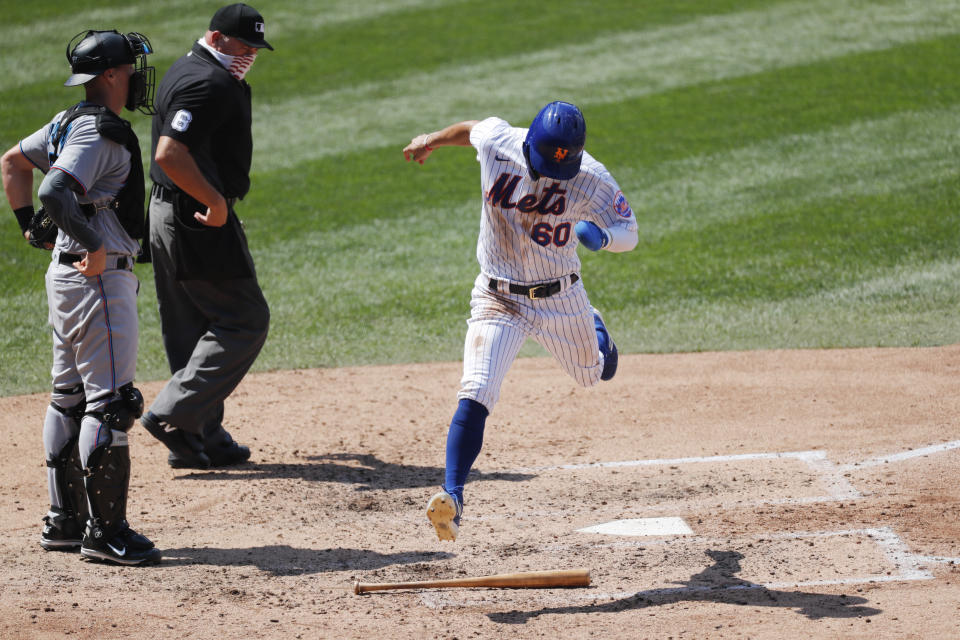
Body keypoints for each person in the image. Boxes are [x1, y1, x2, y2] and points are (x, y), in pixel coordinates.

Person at [403, 101, 639, 541]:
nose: (554, 172)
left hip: (560, 299)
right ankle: (451, 495)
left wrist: (605, 237)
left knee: (596, 373)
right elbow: (470, 129)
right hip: (497, 296)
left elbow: (630, 230)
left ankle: (595, 326)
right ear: (529, 142)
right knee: (476, 389)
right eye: (548, 161)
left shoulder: (591, 177)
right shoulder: (499, 140)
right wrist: (431, 140)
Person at [1, 29, 162, 565]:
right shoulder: (99, 132)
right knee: (111, 403)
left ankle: (64, 521)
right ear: (112, 75)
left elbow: (11, 163)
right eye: (132, 68)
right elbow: (51, 189)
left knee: (69, 395)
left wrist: (31, 231)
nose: (138, 76)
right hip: (96, 278)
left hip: (65, 276)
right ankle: (106, 533)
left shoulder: (67, 120)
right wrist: (92, 243)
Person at [138, 3, 272, 469]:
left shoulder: (189, 68)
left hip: (168, 212)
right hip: (195, 216)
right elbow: (171, 153)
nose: (249, 56)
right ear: (216, 39)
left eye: (255, 49)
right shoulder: (206, 82)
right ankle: (173, 415)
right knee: (244, 320)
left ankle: (199, 437)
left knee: (189, 326)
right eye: (243, 46)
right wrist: (214, 202)